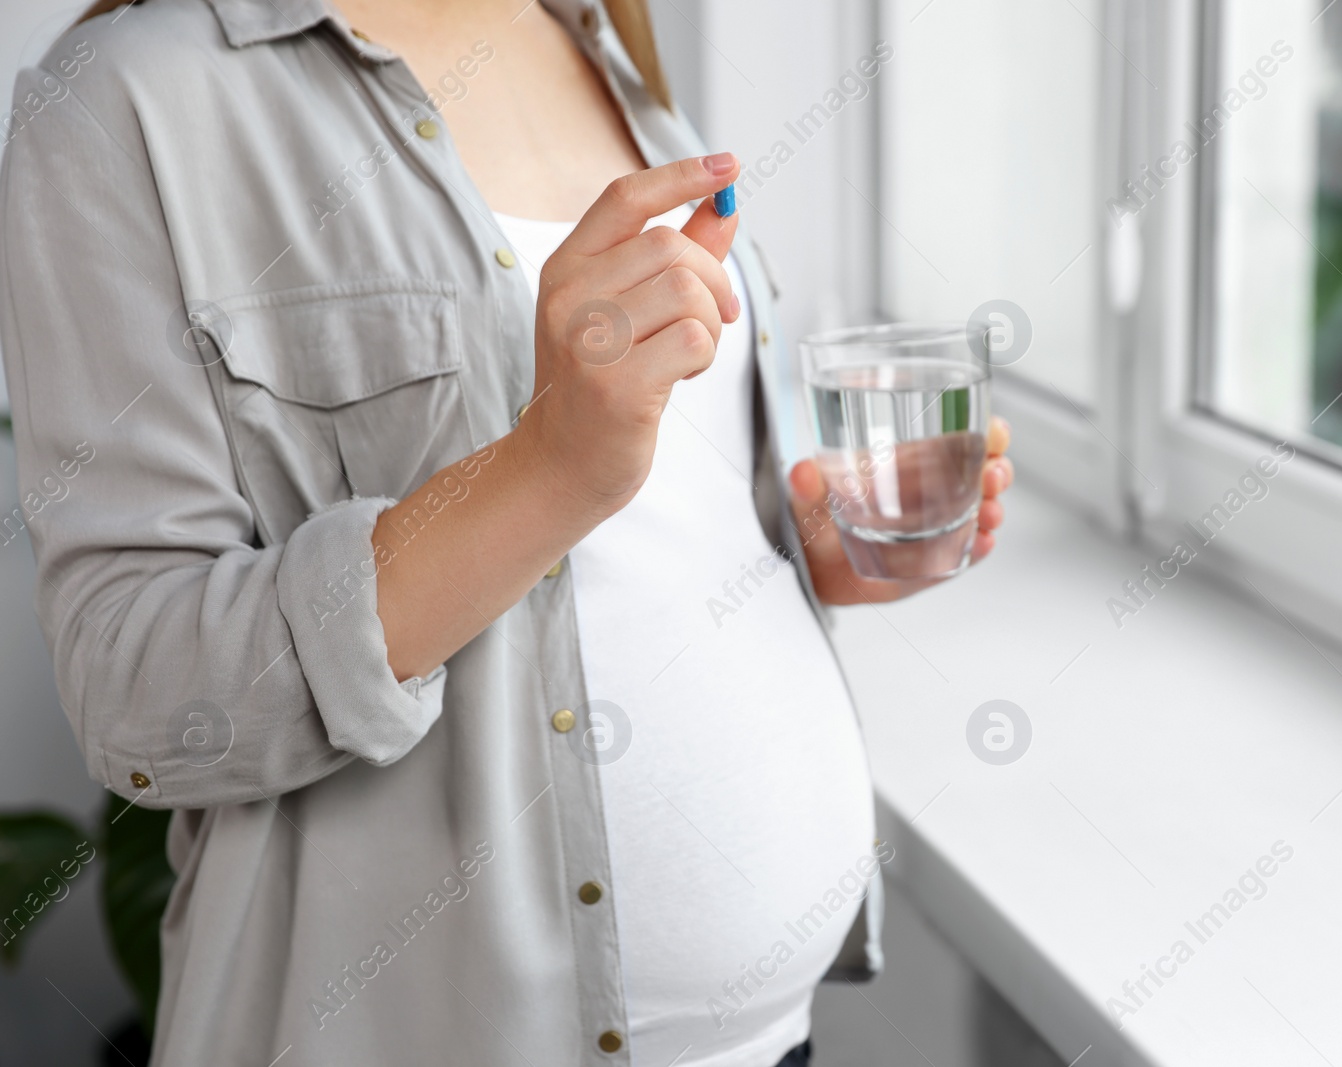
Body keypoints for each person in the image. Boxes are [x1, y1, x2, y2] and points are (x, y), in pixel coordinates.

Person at [0, 0, 1013, 1063]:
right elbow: (140, 694)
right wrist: (544, 469)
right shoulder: (126, 99)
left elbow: (644, 528)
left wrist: (801, 552)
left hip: (779, 1038)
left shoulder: (592, 37)